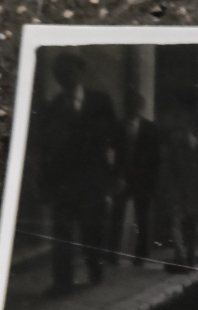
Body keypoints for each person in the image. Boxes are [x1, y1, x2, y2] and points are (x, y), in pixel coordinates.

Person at [37, 52, 118, 295]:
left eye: (71, 72)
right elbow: (46, 149)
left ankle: (95, 271)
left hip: (93, 182)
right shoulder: (53, 108)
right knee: (61, 232)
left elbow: (114, 142)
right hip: (64, 182)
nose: (66, 78)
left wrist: (111, 180)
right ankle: (62, 282)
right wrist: (46, 183)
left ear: (80, 73)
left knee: (92, 231)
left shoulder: (101, 102)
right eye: (60, 75)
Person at [106, 89, 159, 267]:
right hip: (122, 178)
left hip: (143, 180)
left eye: (137, 106)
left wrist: (152, 181)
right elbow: (111, 152)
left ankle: (141, 256)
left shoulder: (150, 128)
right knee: (116, 217)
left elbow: (155, 157)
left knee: (143, 218)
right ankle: (112, 254)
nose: (133, 109)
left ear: (141, 108)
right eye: (130, 106)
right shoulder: (117, 126)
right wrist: (114, 176)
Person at [162, 109, 198, 270]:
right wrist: (168, 189)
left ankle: (191, 256)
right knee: (176, 223)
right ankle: (180, 257)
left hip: (197, 194)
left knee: (194, 227)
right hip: (177, 191)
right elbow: (168, 168)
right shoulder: (177, 141)